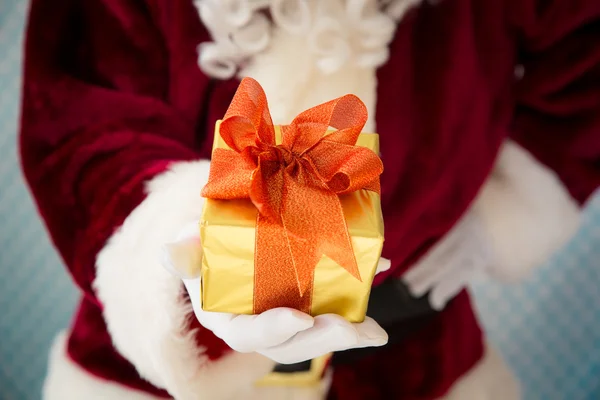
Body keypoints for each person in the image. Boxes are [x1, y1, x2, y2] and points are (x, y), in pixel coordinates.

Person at [20, 0, 599, 399]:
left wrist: (500, 211)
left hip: (419, 357)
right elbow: (79, 120)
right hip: (158, 374)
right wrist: (181, 252)